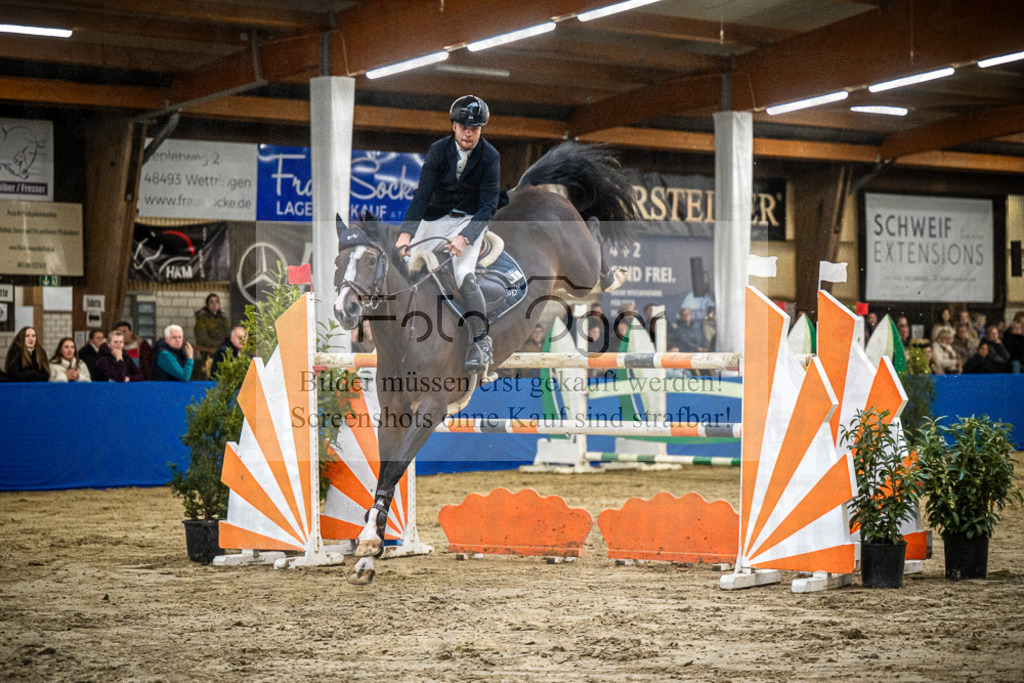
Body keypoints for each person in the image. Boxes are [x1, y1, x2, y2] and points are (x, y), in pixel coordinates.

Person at [395, 95, 500, 376]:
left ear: (481, 130)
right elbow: (423, 194)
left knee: (463, 271)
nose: (469, 132)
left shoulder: (490, 157)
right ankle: (396, 333)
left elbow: (488, 205)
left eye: (475, 128)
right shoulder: (438, 150)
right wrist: (406, 234)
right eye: (464, 126)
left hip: (468, 220)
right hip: (435, 217)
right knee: (406, 267)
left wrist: (466, 237)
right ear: (453, 126)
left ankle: (481, 341)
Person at [194, 293, 231, 379]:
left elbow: (228, 335)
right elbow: (202, 339)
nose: (214, 304)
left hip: (225, 351)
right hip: (210, 353)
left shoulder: (223, 319)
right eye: (211, 302)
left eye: (216, 302)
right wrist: (221, 345)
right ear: (207, 305)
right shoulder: (201, 319)